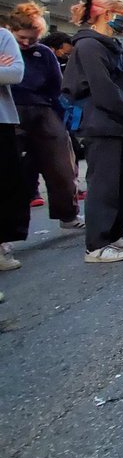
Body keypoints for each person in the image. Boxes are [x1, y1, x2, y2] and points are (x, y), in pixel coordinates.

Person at [62, 0, 123, 263]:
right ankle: (97, 244)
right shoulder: (90, 46)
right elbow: (105, 91)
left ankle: (115, 234)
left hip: (121, 124)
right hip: (100, 124)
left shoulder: (112, 45)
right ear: (104, 13)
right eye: (121, 13)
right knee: (104, 186)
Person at [7, 2, 83, 234]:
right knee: (11, 172)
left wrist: (66, 121)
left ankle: (67, 214)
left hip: (43, 108)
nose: (28, 42)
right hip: (11, 110)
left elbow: (56, 87)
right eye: (22, 37)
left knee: (62, 166)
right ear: (11, 31)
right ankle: (10, 229)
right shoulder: (5, 48)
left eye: (34, 37)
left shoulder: (45, 53)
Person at [0, 26, 30, 273]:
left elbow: (15, 73)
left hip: (2, 120)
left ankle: (1, 245)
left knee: (6, 184)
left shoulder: (3, 36)